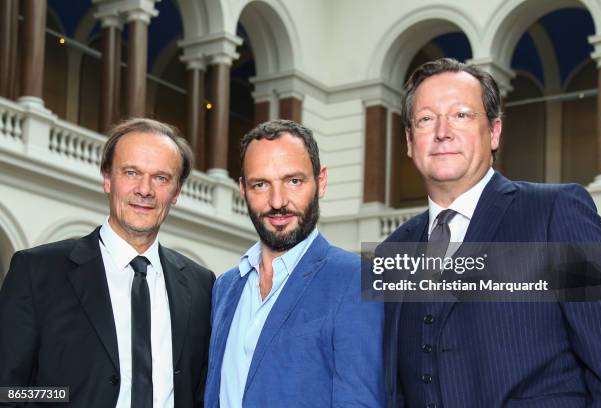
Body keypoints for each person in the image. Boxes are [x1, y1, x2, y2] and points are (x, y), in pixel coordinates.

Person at [383, 58, 601, 407]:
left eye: (461, 115)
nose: (442, 131)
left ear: (494, 132)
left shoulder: (558, 213)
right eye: (427, 119)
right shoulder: (392, 251)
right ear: (410, 141)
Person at [0, 118, 215, 407]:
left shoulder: (201, 286)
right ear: (107, 178)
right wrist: (62, 397)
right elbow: (7, 391)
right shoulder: (38, 271)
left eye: (161, 178)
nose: (145, 189)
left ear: (176, 192)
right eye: (131, 172)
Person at [204, 119, 385, 407]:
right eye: (261, 184)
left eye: (294, 181)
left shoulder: (355, 280)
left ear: (321, 182)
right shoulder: (225, 287)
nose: (278, 201)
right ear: (242, 189)